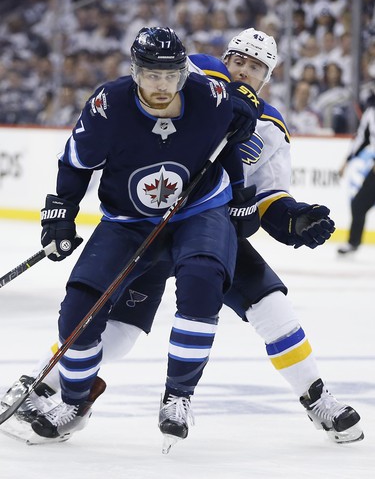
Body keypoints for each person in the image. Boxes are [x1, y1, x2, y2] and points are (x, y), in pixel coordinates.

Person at [2, 29, 363, 452]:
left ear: (268, 77)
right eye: (238, 60)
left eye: (256, 66)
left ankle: (318, 399)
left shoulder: (269, 128)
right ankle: (46, 384)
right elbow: (182, 78)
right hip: (145, 226)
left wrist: (294, 219)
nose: (243, 69)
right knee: (116, 329)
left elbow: (265, 199)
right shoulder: (199, 82)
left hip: (211, 226)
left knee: (273, 309)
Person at [337, 89, 375, 254]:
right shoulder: (371, 110)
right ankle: (353, 242)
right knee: (359, 204)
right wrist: (346, 161)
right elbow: (362, 138)